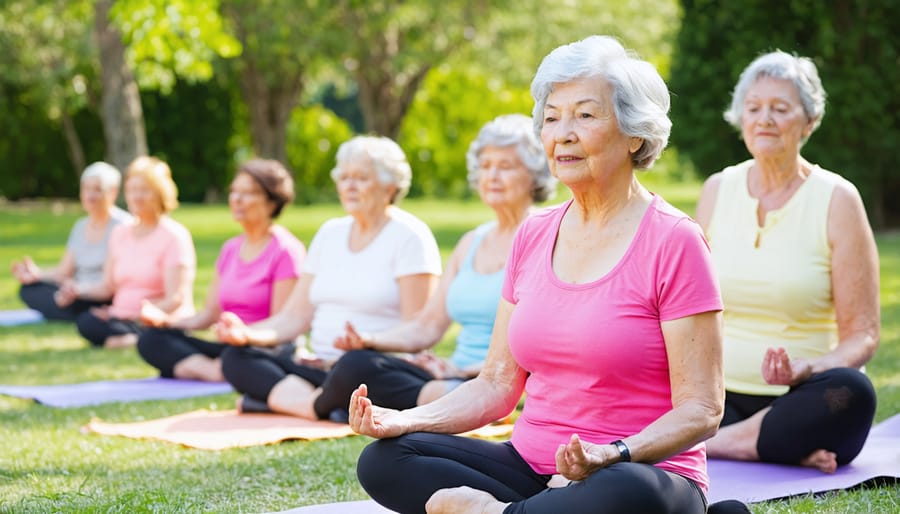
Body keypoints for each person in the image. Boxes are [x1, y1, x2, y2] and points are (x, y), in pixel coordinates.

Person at [350, 36, 725, 514]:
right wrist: (405, 419)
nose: (562, 133)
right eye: (552, 118)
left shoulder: (676, 240)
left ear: (635, 133)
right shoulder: (533, 233)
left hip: (641, 470)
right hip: (532, 468)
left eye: (585, 115)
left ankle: (492, 512)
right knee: (386, 459)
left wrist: (612, 453)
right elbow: (496, 384)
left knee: (628, 492)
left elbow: (703, 409)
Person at [695, 50, 879, 473]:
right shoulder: (718, 189)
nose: (765, 120)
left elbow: (863, 335)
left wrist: (808, 368)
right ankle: (763, 443)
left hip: (800, 397)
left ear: (809, 121)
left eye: (780, 109)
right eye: (754, 108)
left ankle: (714, 444)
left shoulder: (838, 199)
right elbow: (688, 305)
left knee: (852, 392)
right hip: (715, 396)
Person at [326, 114, 556, 417]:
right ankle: (431, 400)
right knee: (356, 363)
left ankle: (379, 405)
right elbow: (428, 325)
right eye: (486, 166)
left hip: (504, 379)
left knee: (361, 377)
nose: (492, 176)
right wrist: (369, 341)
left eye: (505, 166)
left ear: (534, 174)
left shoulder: (548, 234)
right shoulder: (471, 241)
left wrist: (471, 371)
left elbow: (548, 337)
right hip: (451, 376)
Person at [214, 135, 442, 419]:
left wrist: (369, 341)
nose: (349, 186)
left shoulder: (411, 236)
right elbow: (294, 317)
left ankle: (288, 401)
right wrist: (248, 334)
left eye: (360, 177)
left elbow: (417, 329)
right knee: (237, 357)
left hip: (372, 366)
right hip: (317, 367)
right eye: (344, 177)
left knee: (353, 366)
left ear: (389, 186)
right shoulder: (329, 233)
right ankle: (318, 406)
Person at [136, 159, 305, 382]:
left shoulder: (286, 251)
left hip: (260, 346)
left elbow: (280, 325)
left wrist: (243, 335)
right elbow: (209, 314)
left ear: (272, 202)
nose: (237, 199)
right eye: (234, 191)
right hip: (227, 344)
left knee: (235, 356)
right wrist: (166, 322)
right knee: (152, 339)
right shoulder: (230, 249)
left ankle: (208, 370)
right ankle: (216, 371)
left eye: (248, 193)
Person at [59, 156, 196, 348]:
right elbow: (108, 287)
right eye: (132, 191)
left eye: (144, 191)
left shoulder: (174, 236)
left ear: (159, 195)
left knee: (153, 332)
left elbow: (175, 298)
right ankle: (132, 339)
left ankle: (138, 339)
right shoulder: (120, 233)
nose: (136, 197)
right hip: (122, 318)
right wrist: (78, 290)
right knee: (87, 321)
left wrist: (137, 316)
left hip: (157, 317)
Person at [11, 162, 131, 321]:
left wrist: (79, 290)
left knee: (72, 301)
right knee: (28, 289)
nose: (91, 196)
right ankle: (78, 314)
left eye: (97, 190)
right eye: (86, 189)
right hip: (75, 290)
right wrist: (37, 274)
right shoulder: (80, 226)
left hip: (101, 293)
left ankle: (81, 314)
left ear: (113, 192)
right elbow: (64, 271)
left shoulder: (123, 226)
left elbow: (112, 283)